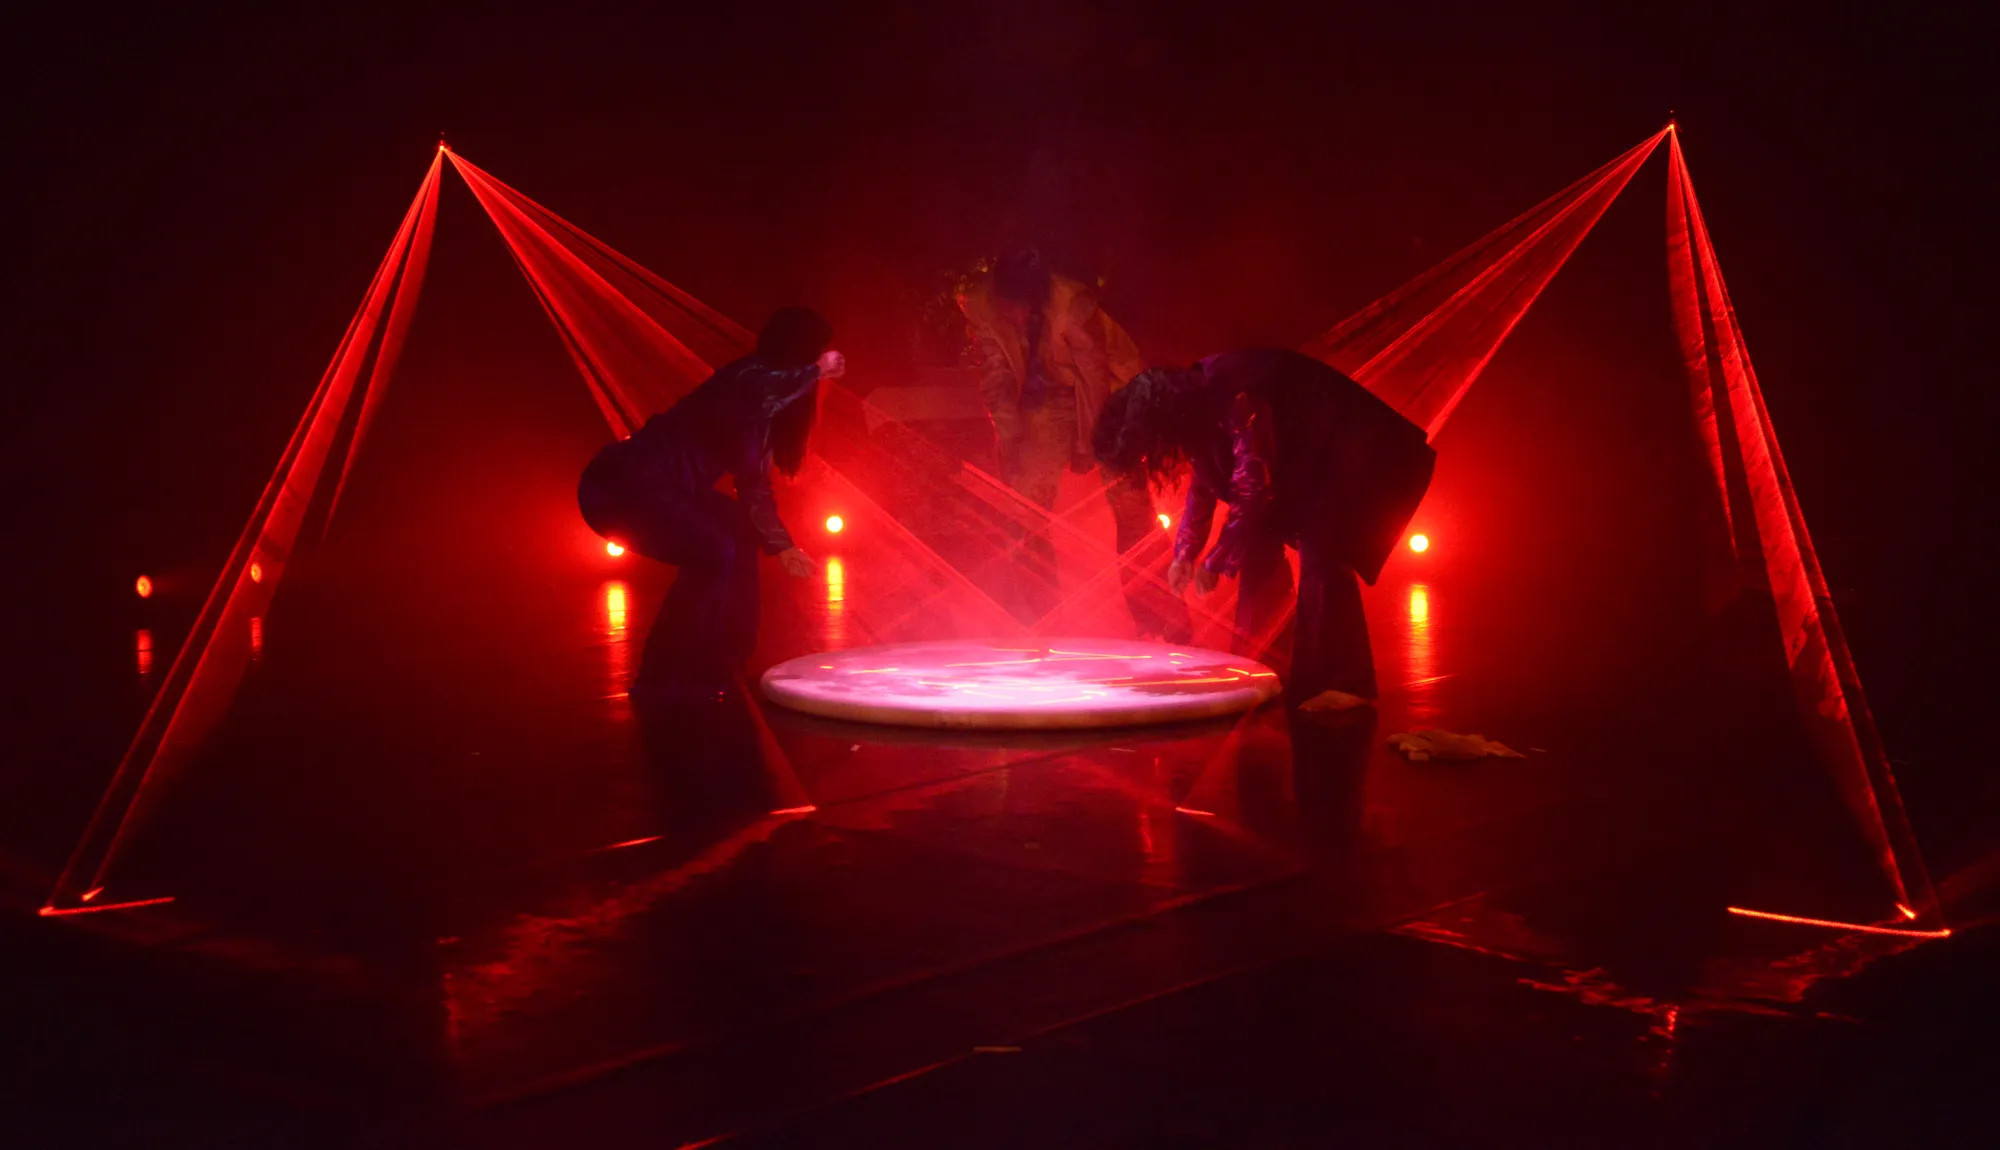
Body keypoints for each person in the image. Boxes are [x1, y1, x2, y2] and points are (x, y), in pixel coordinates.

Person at [1092, 348, 1436, 712]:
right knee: (1262, 549)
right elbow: (1206, 481)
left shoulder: (1234, 393)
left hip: (1346, 449)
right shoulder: (1195, 404)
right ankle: (1265, 665)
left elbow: (1253, 483)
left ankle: (1346, 682)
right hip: (1307, 461)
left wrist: (1214, 561)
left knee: (1323, 553)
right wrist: (1186, 554)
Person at [577, 307, 845, 702]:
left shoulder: (763, 413)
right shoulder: (747, 378)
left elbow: (753, 486)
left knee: (739, 531)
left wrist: (782, 545)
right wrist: (816, 370)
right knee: (713, 549)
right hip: (621, 487)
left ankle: (727, 662)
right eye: (819, 352)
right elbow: (766, 391)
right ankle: (661, 678)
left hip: (663, 488)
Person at [957, 249, 1190, 640]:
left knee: (1133, 512)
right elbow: (996, 375)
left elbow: (1095, 377)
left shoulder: (1073, 306)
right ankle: (1043, 624)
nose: (1014, 317)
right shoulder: (983, 308)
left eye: (1020, 308)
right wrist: (1009, 434)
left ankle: (1164, 619)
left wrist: (1088, 444)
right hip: (1046, 397)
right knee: (1025, 513)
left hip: (1115, 393)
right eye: (1008, 308)